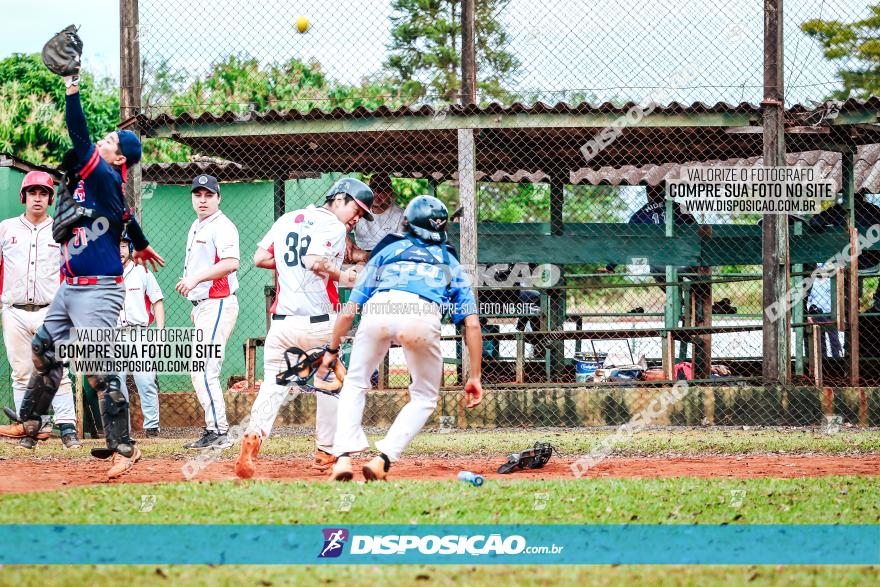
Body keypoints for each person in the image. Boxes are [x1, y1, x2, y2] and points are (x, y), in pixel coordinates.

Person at [0, 58, 165, 479]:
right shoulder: (96, 186)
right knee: (44, 350)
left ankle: (124, 447)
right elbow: (126, 216)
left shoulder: (107, 178)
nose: (102, 142)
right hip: (70, 289)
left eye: (110, 141)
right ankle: (33, 422)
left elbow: (78, 132)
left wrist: (72, 84)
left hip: (98, 290)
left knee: (97, 367)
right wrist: (142, 244)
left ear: (118, 159)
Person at [326, 195, 483, 482]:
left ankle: (343, 458)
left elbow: (349, 311)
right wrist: (474, 376)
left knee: (355, 382)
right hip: (422, 315)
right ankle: (382, 459)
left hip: (380, 309)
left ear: (407, 223)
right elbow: (471, 324)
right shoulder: (449, 260)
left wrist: (332, 350)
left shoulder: (389, 250)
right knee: (424, 396)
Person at [234, 178, 374, 479]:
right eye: (356, 209)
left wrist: (290, 267)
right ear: (338, 199)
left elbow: (260, 258)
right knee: (332, 385)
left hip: (281, 324)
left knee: (273, 384)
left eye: (362, 214)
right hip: (317, 323)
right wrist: (348, 275)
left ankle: (254, 435)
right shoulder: (333, 226)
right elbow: (313, 260)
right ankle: (325, 450)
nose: (356, 218)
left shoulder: (288, 218)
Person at [0, 171, 80, 450]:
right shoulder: (6, 228)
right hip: (14, 311)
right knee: (22, 372)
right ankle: (31, 428)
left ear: (50, 198)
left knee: (57, 369)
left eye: (43, 193)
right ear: (24, 196)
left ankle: (68, 427)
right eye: (32, 192)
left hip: (50, 311)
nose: (37, 198)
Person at [177, 175, 240, 450]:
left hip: (219, 303)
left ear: (218, 198)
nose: (202, 200)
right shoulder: (196, 224)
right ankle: (214, 429)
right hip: (206, 306)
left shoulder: (222, 226)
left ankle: (220, 432)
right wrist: (197, 303)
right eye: (197, 195)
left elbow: (231, 263)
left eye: (208, 195)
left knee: (204, 368)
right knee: (198, 369)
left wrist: (196, 281)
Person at [118, 234, 166, 436]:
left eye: (123, 245)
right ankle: (121, 430)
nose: (120, 250)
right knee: (115, 384)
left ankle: (152, 427)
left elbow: (157, 300)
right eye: (116, 245)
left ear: (130, 248)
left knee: (146, 381)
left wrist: (160, 333)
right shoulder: (104, 273)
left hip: (139, 333)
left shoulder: (142, 270)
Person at [346, 173, 405, 263]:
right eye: (373, 189)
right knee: (343, 248)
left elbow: (402, 243)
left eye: (382, 190)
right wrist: (345, 238)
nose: (377, 193)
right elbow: (340, 228)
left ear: (390, 193)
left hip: (387, 253)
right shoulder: (359, 209)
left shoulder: (400, 214)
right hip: (361, 252)